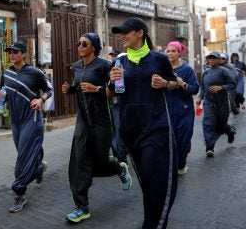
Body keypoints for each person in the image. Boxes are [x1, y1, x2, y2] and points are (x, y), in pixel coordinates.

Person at [109, 17, 178, 229]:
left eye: (126, 32)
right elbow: (111, 94)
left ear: (140, 33)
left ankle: (155, 224)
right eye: (120, 33)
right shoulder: (119, 62)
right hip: (131, 129)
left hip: (156, 126)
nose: (122, 36)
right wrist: (112, 82)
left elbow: (175, 83)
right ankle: (151, 220)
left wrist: (165, 83)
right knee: (147, 181)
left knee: (154, 175)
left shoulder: (159, 59)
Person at [61, 33, 132, 224]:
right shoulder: (76, 66)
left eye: (85, 43)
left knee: (99, 163)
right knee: (79, 159)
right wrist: (71, 89)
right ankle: (81, 206)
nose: (80, 46)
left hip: (102, 118)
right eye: (78, 43)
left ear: (94, 47)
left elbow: (114, 91)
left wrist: (97, 89)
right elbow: (79, 86)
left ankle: (119, 167)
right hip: (83, 119)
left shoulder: (104, 66)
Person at [0, 42, 53, 213]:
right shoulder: (7, 73)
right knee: (25, 151)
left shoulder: (34, 72)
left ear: (23, 54)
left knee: (23, 157)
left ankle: (19, 191)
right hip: (16, 120)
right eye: (10, 52)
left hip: (32, 118)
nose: (12, 54)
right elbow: (4, 94)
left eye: (15, 52)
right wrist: (0, 96)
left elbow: (48, 89)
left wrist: (41, 100)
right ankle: (39, 166)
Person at [164, 41, 199, 175]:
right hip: (166, 110)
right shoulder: (163, 69)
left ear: (179, 53)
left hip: (184, 110)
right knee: (169, 140)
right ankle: (172, 164)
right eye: (168, 51)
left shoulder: (187, 69)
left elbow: (195, 89)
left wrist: (182, 83)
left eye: (173, 51)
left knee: (183, 139)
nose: (170, 53)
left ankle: (181, 164)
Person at [196, 51, 236, 157]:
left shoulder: (224, 71)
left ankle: (229, 130)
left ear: (219, 60)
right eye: (210, 58)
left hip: (222, 103)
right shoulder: (206, 72)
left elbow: (233, 84)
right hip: (209, 102)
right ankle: (210, 148)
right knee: (208, 124)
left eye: (214, 58)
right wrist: (200, 97)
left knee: (221, 124)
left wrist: (221, 87)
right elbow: (203, 87)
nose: (212, 60)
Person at [108, 49, 128, 165]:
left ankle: (122, 155)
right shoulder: (112, 69)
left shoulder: (129, 70)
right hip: (116, 103)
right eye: (113, 56)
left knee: (122, 130)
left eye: (116, 56)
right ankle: (120, 157)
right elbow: (109, 88)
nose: (114, 58)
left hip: (127, 104)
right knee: (117, 129)